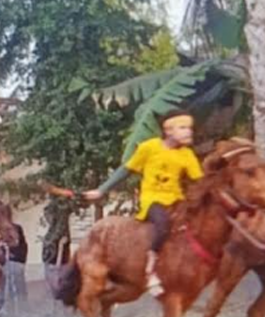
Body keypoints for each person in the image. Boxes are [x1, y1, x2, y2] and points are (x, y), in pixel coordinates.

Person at [85, 109, 203, 296]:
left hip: (177, 200)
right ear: (169, 130)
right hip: (152, 199)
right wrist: (102, 189)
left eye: (189, 128)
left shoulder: (187, 154)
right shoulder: (150, 147)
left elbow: (200, 181)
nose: (189, 132)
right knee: (163, 225)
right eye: (183, 127)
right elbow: (126, 170)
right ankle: (151, 269)